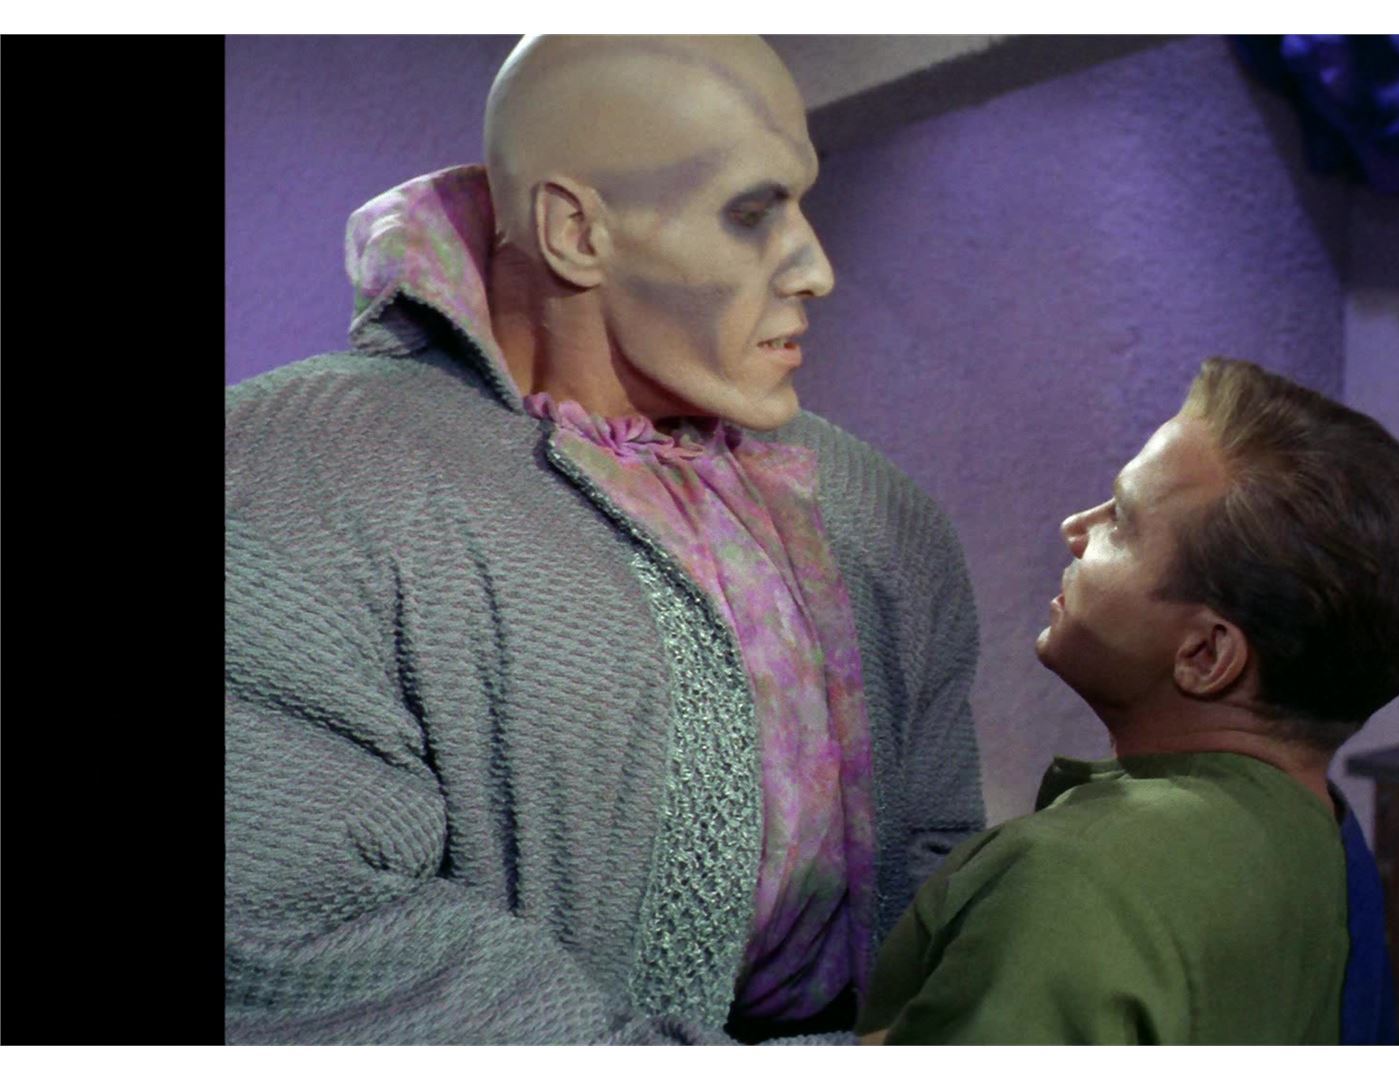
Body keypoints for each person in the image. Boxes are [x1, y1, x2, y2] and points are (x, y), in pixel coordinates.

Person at [225, 35, 985, 1045]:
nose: (817, 268)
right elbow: (295, 928)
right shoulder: (294, 473)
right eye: (751, 212)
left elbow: (940, 875)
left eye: (803, 203)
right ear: (575, 230)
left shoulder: (871, 513)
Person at [855, 357, 1399, 1044]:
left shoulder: (1076, 883)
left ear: (1205, 656)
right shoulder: (1329, 844)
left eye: (1122, 522)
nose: (1076, 528)